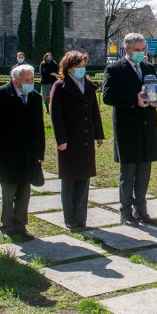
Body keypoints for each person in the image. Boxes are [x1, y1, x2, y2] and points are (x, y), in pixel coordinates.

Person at [102, 33, 157, 226]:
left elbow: (155, 91)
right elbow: (108, 96)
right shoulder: (114, 69)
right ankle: (125, 212)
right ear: (126, 48)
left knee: (144, 173)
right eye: (136, 49)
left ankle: (141, 210)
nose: (140, 53)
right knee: (128, 175)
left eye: (142, 49)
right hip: (127, 129)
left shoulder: (148, 67)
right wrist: (133, 100)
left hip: (147, 128)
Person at [0, 64, 45, 240]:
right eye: (27, 80)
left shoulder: (35, 97)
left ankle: (21, 225)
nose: (30, 83)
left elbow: (39, 128)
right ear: (15, 80)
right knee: (9, 191)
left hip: (29, 154)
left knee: (24, 192)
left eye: (32, 79)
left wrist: (40, 153)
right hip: (7, 154)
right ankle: (7, 225)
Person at [49, 50, 104, 230]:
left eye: (83, 66)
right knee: (69, 179)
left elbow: (95, 111)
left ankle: (81, 218)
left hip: (86, 139)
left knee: (84, 179)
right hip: (69, 140)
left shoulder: (88, 85)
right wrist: (61, 139)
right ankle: (70, 219)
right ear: (69, 67)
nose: (81, 69)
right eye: (78, 66)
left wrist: (99, 133)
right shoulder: (60, 86)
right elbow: (56, 115)